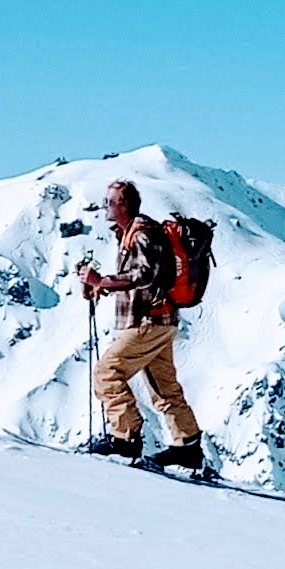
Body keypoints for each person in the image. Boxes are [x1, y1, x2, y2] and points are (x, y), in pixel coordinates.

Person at [79, 179, 206, 471]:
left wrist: (102, 282)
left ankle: (125, 438)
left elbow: (144, 275)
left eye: (110, 201)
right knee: (164, 386)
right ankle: (186, 445)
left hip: (147, 321)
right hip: (161, 320)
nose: (105, 206)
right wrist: (102, 285)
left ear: (123, 204)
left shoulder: (142, 234)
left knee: (107, 373)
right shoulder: (132, 233)